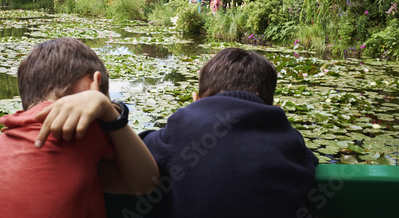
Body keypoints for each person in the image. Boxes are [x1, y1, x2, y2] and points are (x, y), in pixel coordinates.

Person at [35, 48, 319, 218]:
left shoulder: (188, 121)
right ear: (272, 103)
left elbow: (140, 154)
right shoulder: (290, 138)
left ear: (197, 98)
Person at [0, 37, 158, 218]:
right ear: (94, 83)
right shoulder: (82, 130)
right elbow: (146, 182)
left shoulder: (2, 138)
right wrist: (109, 111)